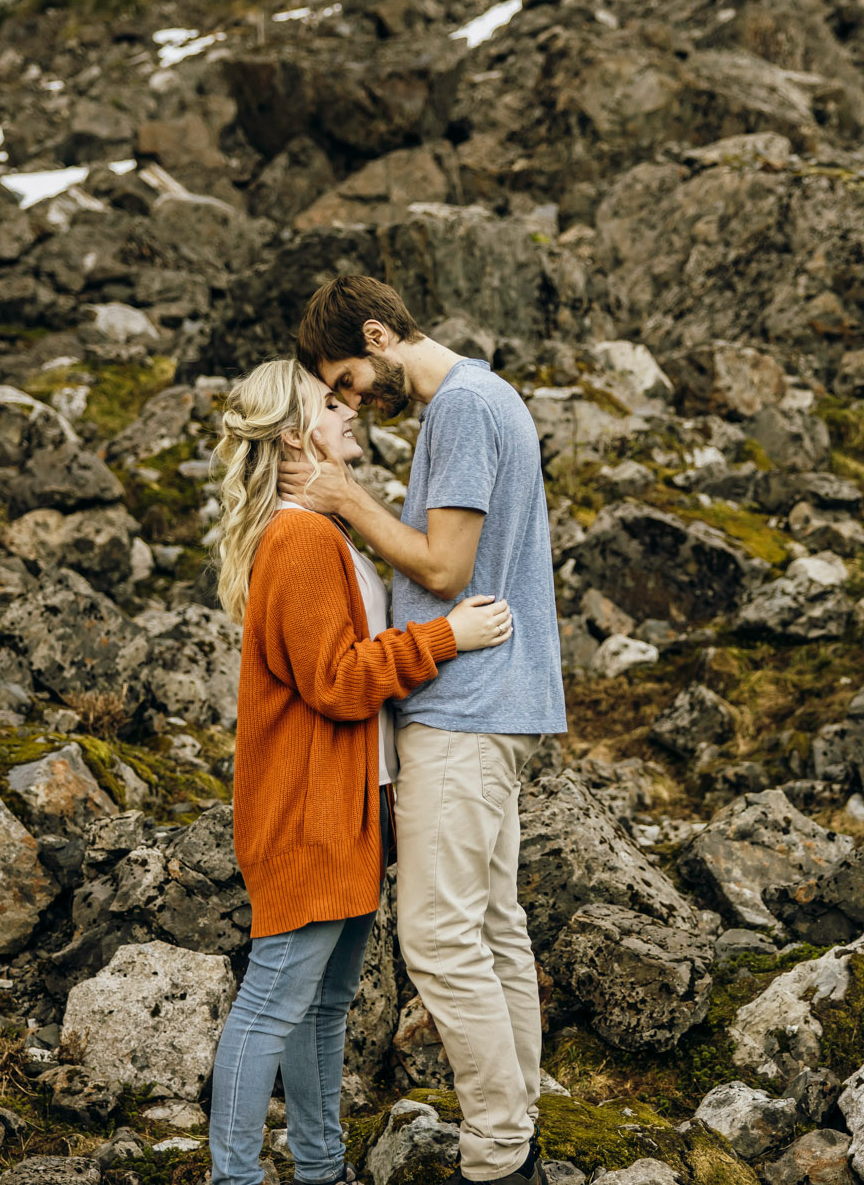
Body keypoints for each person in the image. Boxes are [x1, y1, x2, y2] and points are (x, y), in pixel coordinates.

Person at [282, 275, 567, 1185]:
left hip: (465, 707)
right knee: (491, 926)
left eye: (349, 379)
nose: (356, 400)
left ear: (378, 334)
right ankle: (518, 1131)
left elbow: (445, 566)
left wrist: (341, 499)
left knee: (439, 939)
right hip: (496, 706)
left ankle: (497, 1155)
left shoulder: (461, 410)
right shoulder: (486, 398)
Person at [207, 358, 515, 1185]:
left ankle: (320, 1166)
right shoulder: (301, 537)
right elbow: (339, 684)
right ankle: (234, 1177)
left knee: (322, 1007)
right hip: (308, 811)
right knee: (273, 1004)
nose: (348, 411)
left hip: (348, 805)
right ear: (292, 436)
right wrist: (448, 637)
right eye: (328, 403)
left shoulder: (324, 531)